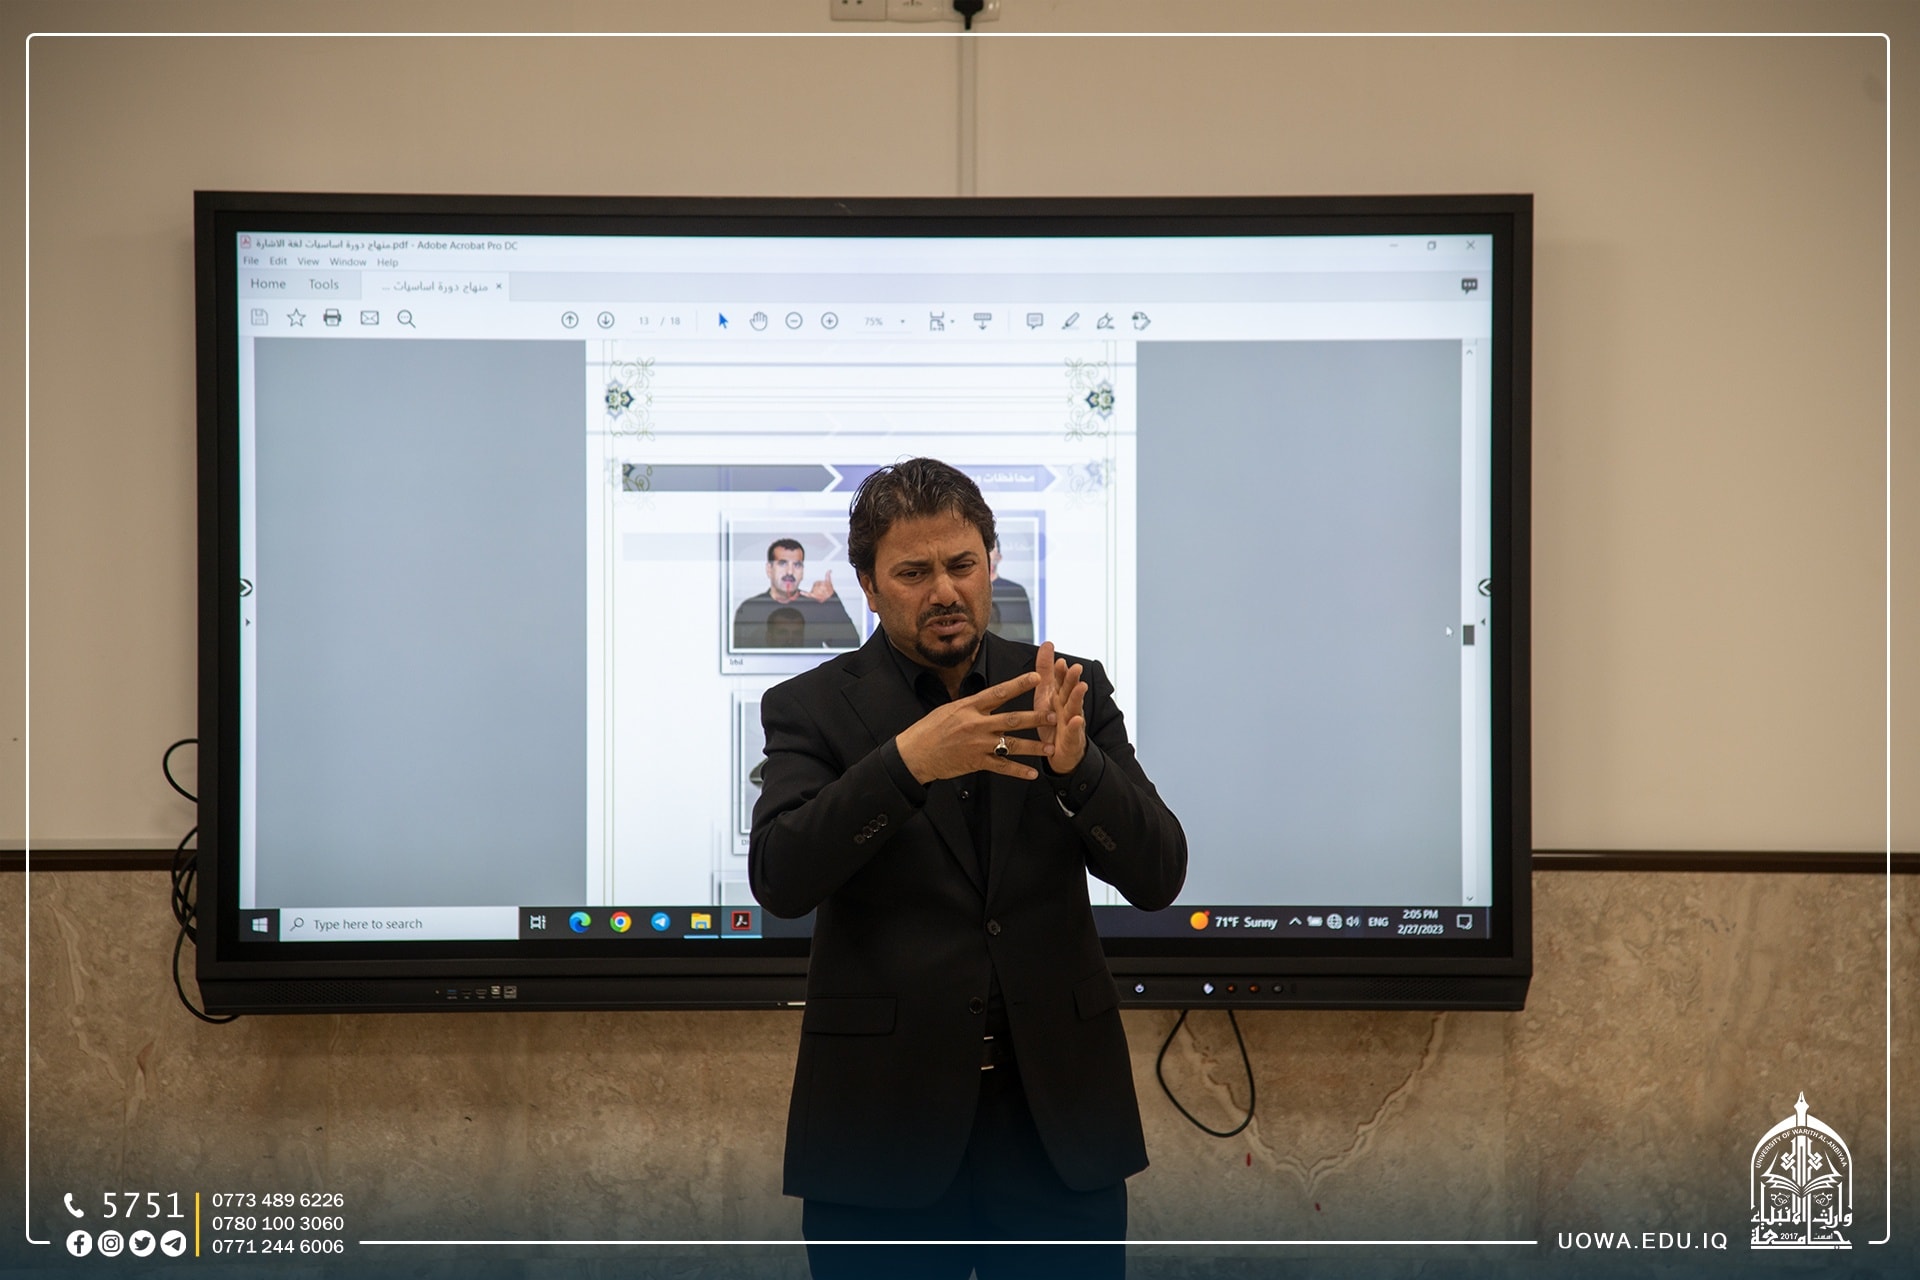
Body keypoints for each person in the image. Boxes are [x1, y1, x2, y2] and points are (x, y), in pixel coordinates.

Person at [749, 459, 1187, 1280]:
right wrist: (906, 764)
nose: (945, 591)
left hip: (1057, 1134)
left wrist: (1079, 770)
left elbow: (1159, 875)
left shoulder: (1065, 689)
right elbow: (780, 876)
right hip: (883, 1135)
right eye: (913, 573)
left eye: (962, 564)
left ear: (991, 562)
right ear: (869, 586)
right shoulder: (810, 707)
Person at [732, 538, 860, 649]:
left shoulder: (818, 607)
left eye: (797, 565)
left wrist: (832, 602)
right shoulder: (749, 608)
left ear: (803, 571)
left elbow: (851, 646)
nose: (790, 572)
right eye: (782, 563)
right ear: (769, 569)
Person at [987, 539, 1035, 643]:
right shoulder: (967, 590)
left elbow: (1026, 638)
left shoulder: (1016, 591)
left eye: (990, 549)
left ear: (999, 557)